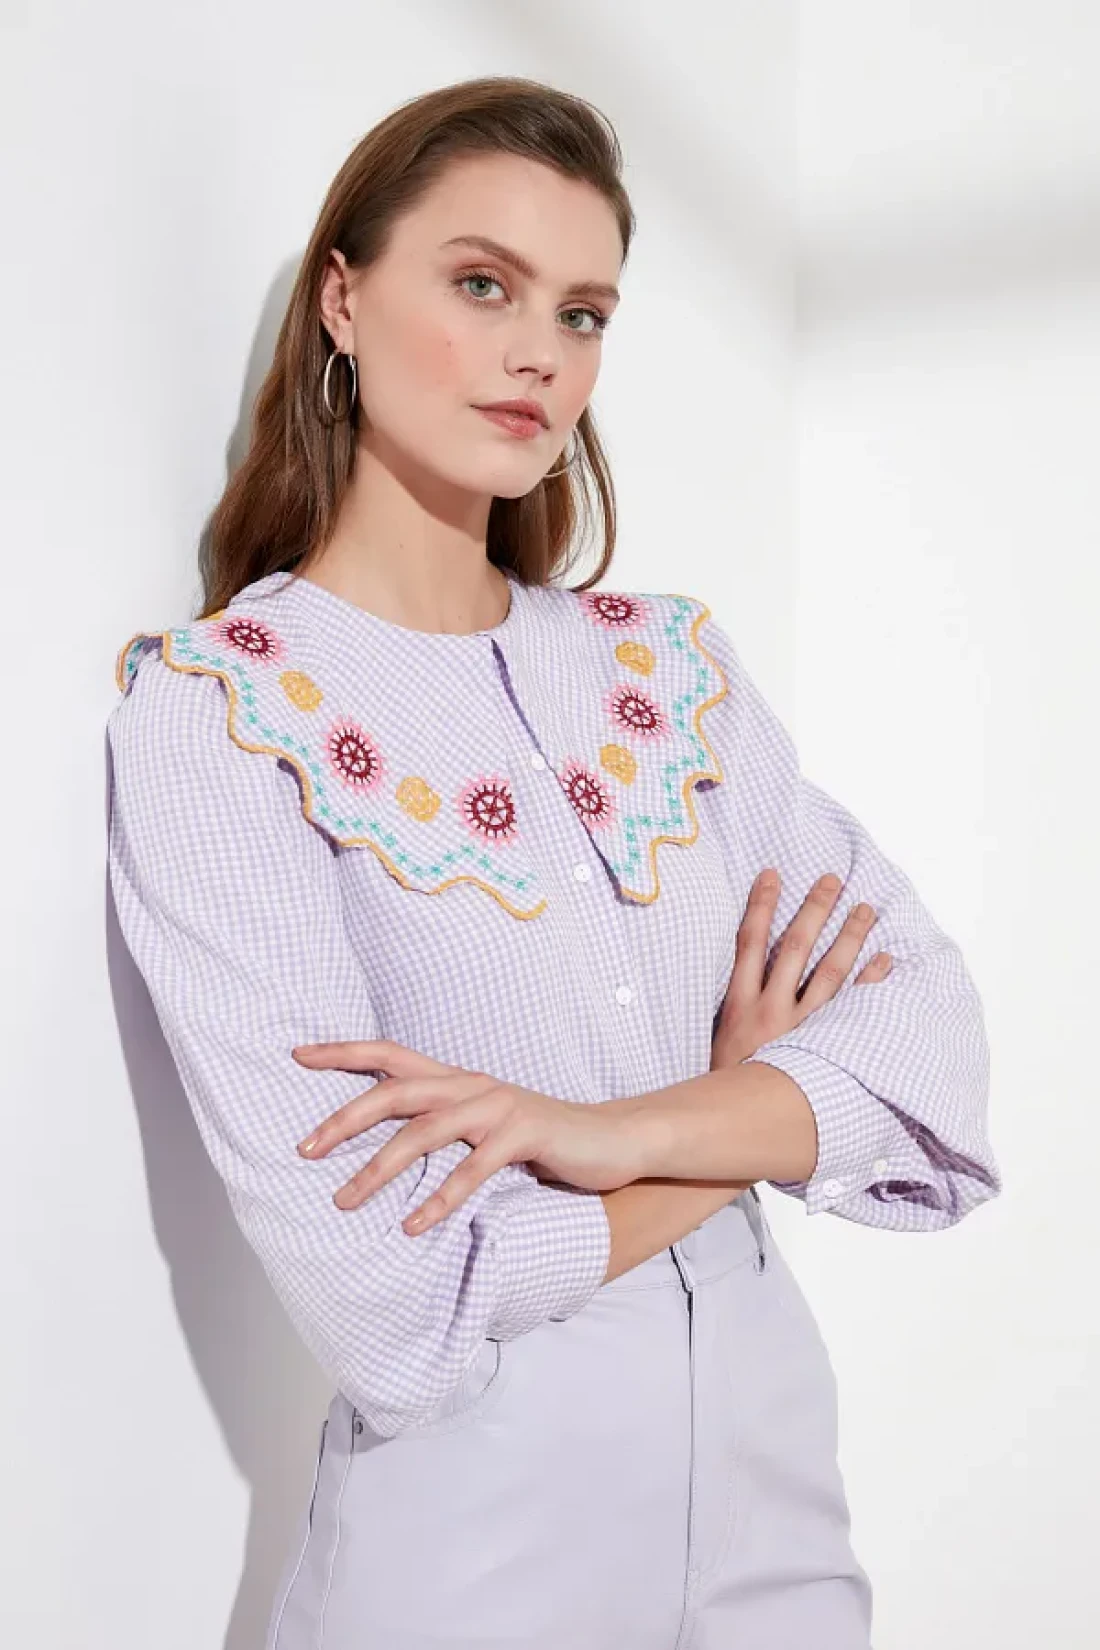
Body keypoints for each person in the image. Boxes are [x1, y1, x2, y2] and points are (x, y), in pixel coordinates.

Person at [105, 75, 1000, 1650]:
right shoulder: (226, 714)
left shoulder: (676, 673)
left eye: (583, 313)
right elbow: (393, 1301)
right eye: (483, 284)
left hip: (777, 1494)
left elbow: (928, 1048)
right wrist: (741, 1122)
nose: (541, 353)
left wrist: (597, 1132)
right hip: (477, 1536)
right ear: (343, 300)